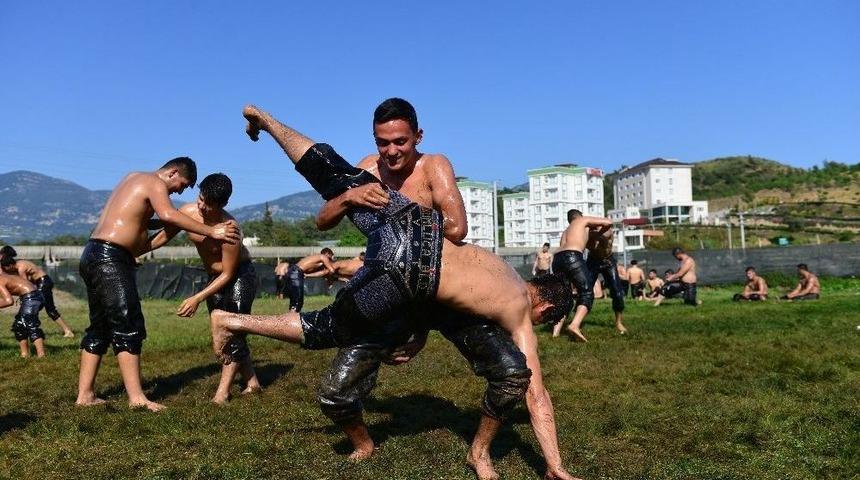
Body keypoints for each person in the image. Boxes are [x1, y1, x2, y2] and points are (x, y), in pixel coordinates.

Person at [238, 102, 578, 479]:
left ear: (417, 137)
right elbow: (323, 219)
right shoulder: (368, 170)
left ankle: (481, 455)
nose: (392, 151)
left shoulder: (433, 166)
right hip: (390, 285)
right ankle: (267, 121)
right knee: (336, 388)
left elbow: (457, 230)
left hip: (429, 277)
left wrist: (403, 220)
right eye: (383, 143)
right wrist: (350, 199)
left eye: (400, 141)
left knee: (513, 372)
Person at [75, 157, 240, 412]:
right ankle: (137, 398)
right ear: (173, 172)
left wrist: (131, 252)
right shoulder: (154, 183)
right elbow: (167, 215)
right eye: (182, 185)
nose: (180, 191)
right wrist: (212, 231)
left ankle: (85, 395)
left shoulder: (133, 177)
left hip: (94, 253)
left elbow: (145, 219)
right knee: (128, 323)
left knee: (100, 327)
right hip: (110, 257)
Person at [144, 173, 262, 404]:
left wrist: (196, 298)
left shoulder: (230, 229)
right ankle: (253, 381)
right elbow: (164, 235)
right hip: (213, 276)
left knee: (231, 332)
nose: (202, 206)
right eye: (200, 198)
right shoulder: (189, 212)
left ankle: (222, 393)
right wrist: (137, 251)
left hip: (239, 276)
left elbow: (228, 273)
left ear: (223, 204)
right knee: (224, 333)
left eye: (208, 204)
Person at [551, 209, 613, 341]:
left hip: (557, 259)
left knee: (563, 295)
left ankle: (555, 333)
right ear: (579, 216)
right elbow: (608, 222)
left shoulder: (566, 231)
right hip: (572, 256)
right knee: (586, 292)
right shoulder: (582, 220)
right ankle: (574, 325)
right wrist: (598, 233)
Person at [0, 255, 75, 337]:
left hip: (43, 283)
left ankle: (67, 331)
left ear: (10, 265)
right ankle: (23, 325)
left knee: (45, 309)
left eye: (5, 268)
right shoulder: (20, 263)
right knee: (44, 309)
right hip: (42, 282)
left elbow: (25, 282)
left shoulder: (21, 268)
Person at [0, 272, 46, 357]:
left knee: (30, 324)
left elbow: (9, 301)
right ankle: (24, 354)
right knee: (19, 326)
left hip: (32, 297)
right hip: (32, 296)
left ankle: (41, 355)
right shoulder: (3, 276)